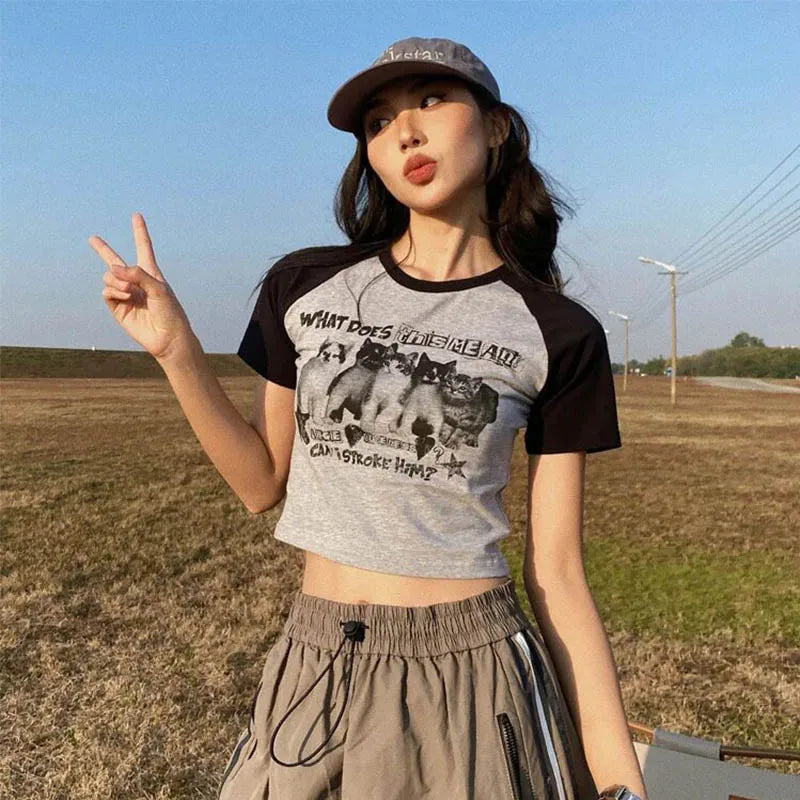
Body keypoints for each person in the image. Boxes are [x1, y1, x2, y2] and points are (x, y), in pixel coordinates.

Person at [90, 35, 648, 800]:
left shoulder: (557, 331)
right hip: (313, 657)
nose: (405, 132)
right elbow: (261, 482)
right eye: (379, 122)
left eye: (431, 101)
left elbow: (557, 573)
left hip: (472, 673)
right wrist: (175, 350)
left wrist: (619, 782)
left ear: (496, 127)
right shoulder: (304, 286)